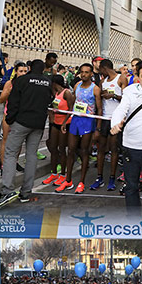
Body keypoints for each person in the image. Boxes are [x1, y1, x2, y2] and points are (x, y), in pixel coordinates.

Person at [0, 60, 53, 208]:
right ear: (43, 69)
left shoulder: (22, 80)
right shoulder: (47, 82)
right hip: (38, 124)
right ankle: (26, 192)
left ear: (30, 68)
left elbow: (13, 101)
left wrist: (11, 120)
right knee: (31, 155)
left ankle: (7, 190)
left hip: (21, 122)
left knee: (11, 154)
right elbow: (49, 101)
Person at [110, 61, 142, 209]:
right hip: (131, 149)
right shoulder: (129, 92)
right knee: (132, 186)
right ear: (138, 77)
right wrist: (115, 124)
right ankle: (133, 221)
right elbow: (121, 110)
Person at [56, 63, 102, 194]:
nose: (84, 74)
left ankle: (81, 182)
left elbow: (99, 109)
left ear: (91, 74)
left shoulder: (95, 89)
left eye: (87, 72)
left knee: (84, 151)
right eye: (82, 72)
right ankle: (68, 180)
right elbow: (73, 106)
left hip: (88, 121)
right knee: (70, 150)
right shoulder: (76, 86)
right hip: (75, 120)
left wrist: (98, 128)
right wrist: (66, 121)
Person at [90, 59, 124, 192]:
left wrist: (113, 95)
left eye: (101, 69)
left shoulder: (121, 78)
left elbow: (126, 98)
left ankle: (112, 178)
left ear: (104, 68)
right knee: (101, 149)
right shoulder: (103, 81)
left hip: (116, 118)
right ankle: (99, 177)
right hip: (104, 118)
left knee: (114, 149)